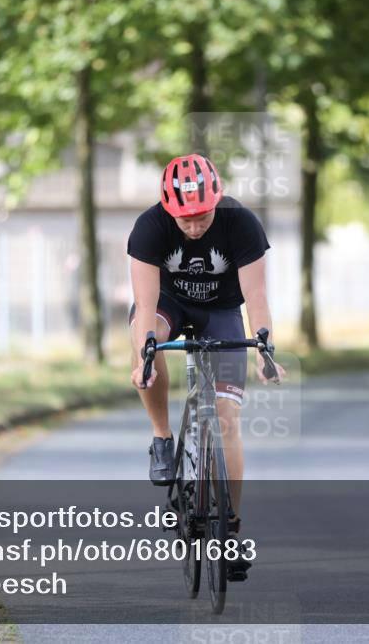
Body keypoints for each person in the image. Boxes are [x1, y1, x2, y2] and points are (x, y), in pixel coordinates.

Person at [126, 153, 284, 580]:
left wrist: (264, 351)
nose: (194, 225)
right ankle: (162, 437)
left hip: (222, 310)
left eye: (202, 216)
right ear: (168, 209)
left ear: (219, 200)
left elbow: (258, 299)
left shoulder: (242, 223)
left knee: (228, 420)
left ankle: (230, 530)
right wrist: (144, 357)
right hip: (167, 304)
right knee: (148, 341)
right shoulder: (149, 227)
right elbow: (144, 305)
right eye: (185, 219)